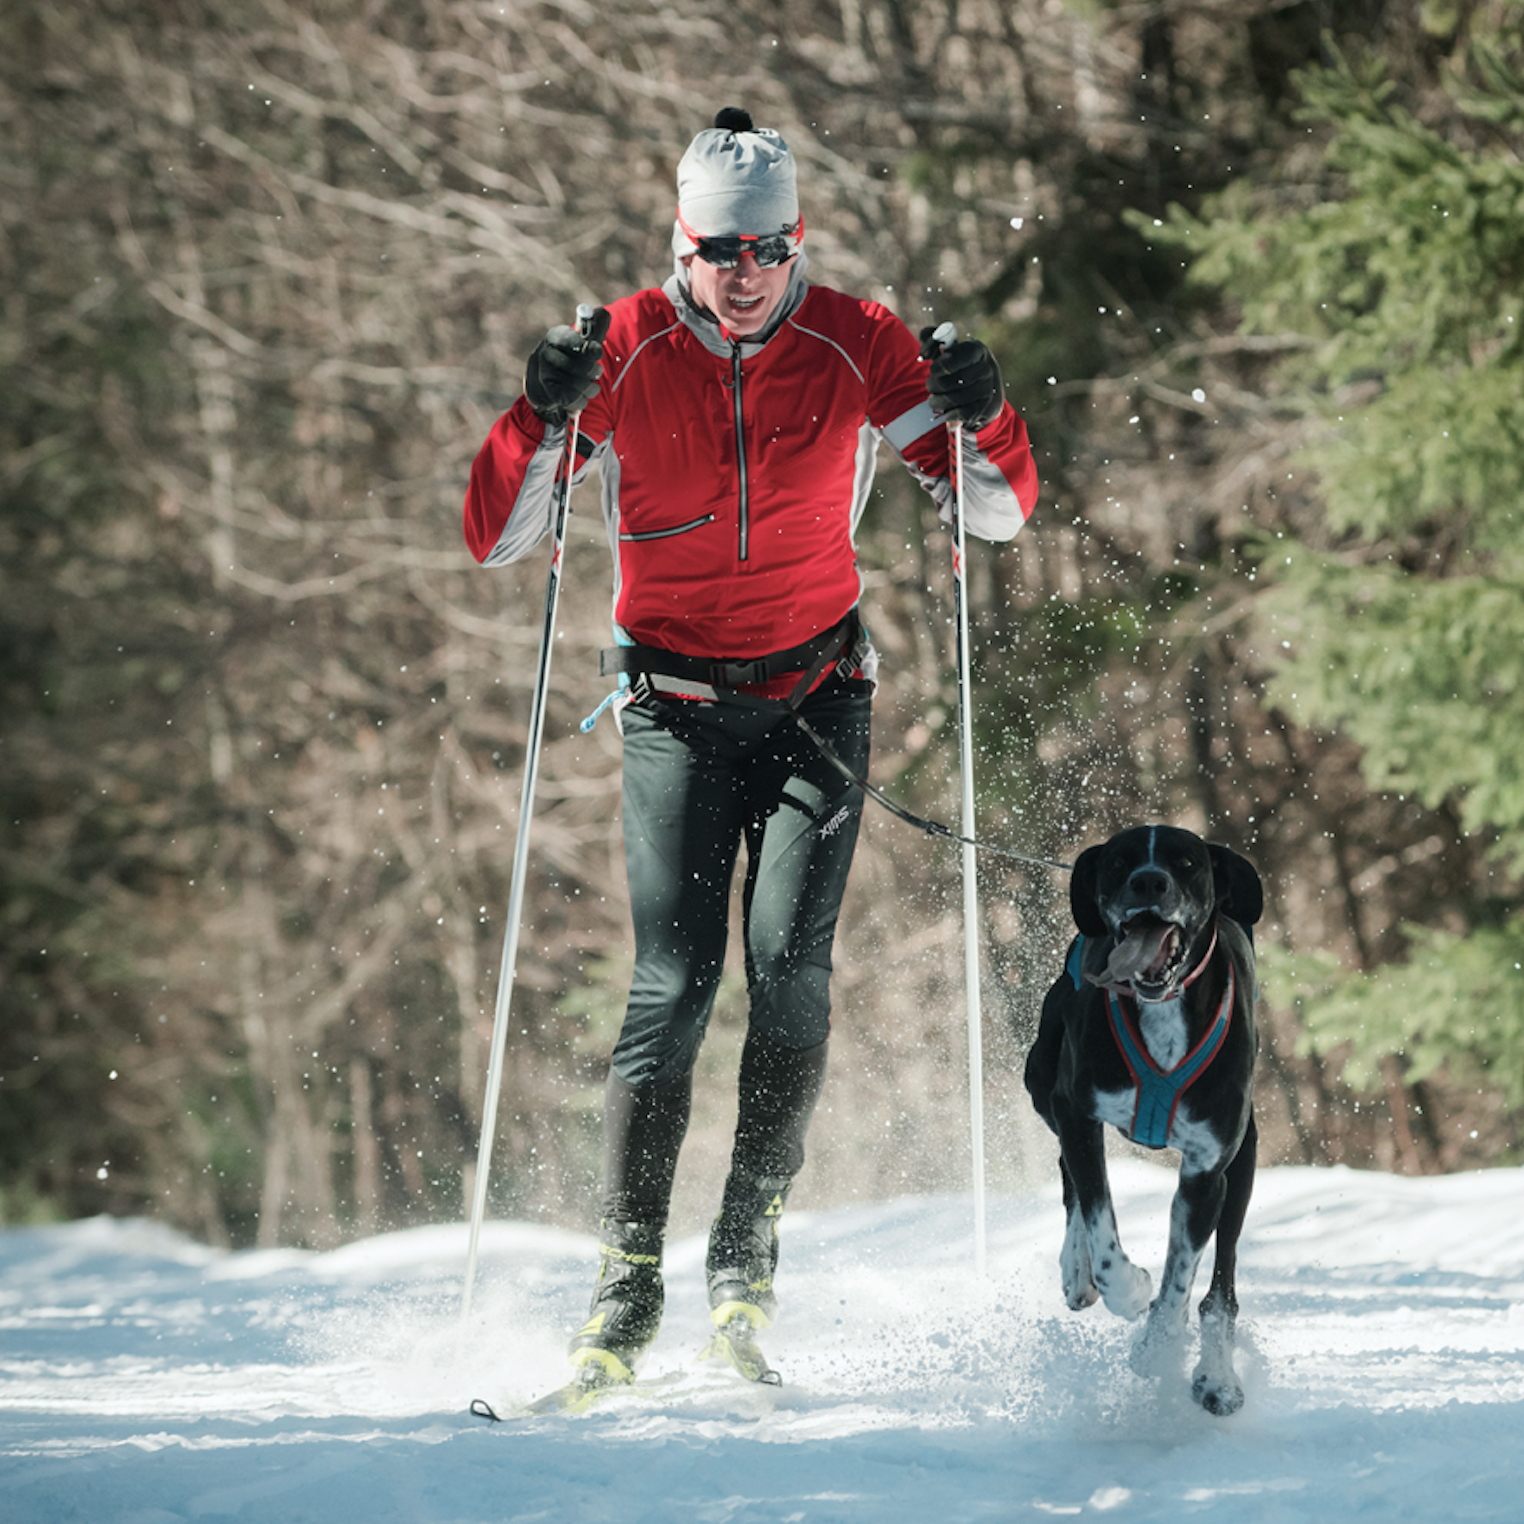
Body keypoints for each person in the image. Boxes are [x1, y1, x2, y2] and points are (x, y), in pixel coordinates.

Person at [464, 108, 1038, 1386]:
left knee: (789, 971)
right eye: (719, 249)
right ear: (683, 243)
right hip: (671, 703)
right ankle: (626, 1278)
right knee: (674, 984)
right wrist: (536, 413)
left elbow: (994, 516)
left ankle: (745, 1250)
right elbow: (500, 538)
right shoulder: (622, 345)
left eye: (767, 248)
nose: (744, 273)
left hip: (814, 698)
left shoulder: (857, 340)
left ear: (796, 241)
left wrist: (986, 415)